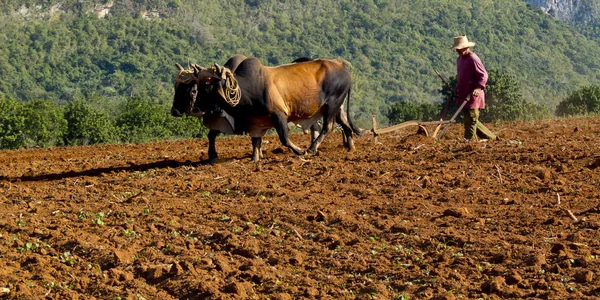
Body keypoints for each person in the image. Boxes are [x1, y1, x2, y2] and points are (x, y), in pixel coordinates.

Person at [452, 35, 498, 141]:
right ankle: (493, 139)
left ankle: (469, 142)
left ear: (466, 47)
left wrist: (478, 88)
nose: (458, 51)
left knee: (471, 120)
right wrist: (456, 90)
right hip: (463, 95)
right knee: (471, 120)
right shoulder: (459, 59)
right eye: (457, 49)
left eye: (460, 48)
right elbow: (461, 77)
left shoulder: (473, 58)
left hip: (473, 96)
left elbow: (484, 75)